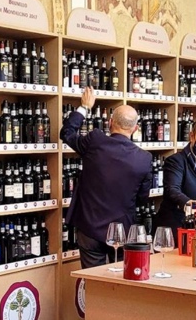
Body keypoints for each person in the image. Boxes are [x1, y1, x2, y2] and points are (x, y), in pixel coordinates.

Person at [60, 87, 153, 269]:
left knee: (93, 279)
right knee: (120, 279)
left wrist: (84, 107)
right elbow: (142, 198)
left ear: (110, 122)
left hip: (90, 227)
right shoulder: (144, 158)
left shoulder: (95, 141)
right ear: (135, 128)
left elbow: (67, 133)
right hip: (122, 231)